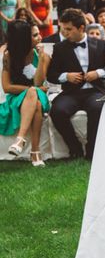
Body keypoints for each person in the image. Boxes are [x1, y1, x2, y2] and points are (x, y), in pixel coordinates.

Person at [47, 8, 105, 160]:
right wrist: (66, 76)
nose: (65, 33)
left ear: (81, 28)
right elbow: (51, 75)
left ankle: (92, 150)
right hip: (71, 93)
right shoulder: (60, 48)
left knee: (97, 108)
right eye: (63, 29)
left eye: (69, 29)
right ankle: (74, 148)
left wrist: (99, 73)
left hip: (95, 91)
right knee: (57, 111)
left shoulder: (100, 45)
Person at [1, 20, 50, 166]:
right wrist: (31, 90)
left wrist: (41, 60)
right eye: (34, 35)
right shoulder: (9, 56)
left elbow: (38, 83)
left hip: (38, 93)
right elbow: (7, 87)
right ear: (23, 39)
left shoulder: (43, 56)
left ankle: (20, 140)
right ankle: (35, 152)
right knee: (37, 104)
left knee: (35, 94)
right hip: (17, 98)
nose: (40, 37)